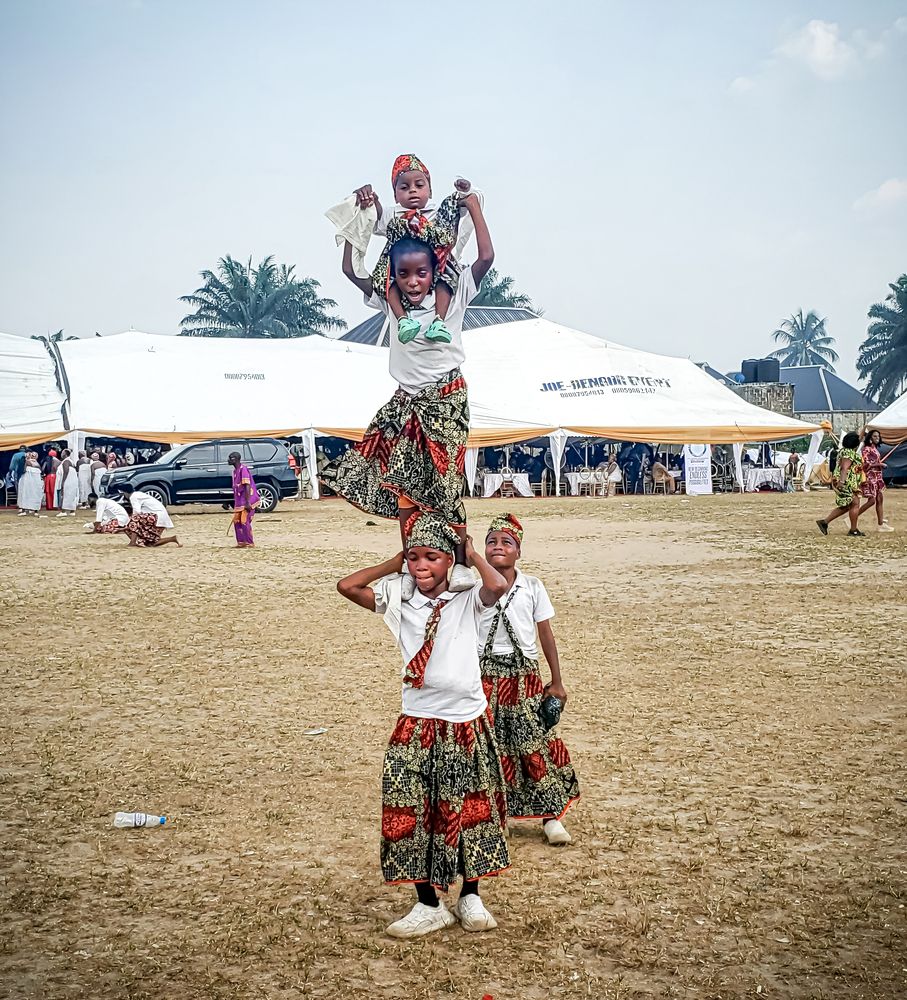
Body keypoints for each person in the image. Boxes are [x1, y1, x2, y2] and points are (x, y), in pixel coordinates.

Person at [337, 512, 510, 939]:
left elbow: (497, 586)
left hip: (465, 721)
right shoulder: (399, 595)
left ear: (447, 561)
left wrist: (468, 552)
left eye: (431, 557)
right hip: (417, 720)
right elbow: (348, 586)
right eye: (414, 558)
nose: (421, 567)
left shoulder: (466, 594)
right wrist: (393, 561)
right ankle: (428, 903)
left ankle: (470, 895)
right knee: (408, 808)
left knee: (469, 809)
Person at [324, 180, 495, 601]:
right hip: (405, 402)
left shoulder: (454, 297)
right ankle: (407, 559)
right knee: (401, 483)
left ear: (435, 272)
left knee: (446, 482)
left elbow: (486, 256)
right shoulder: (388, 302)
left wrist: (472, 206)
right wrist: (355, 224)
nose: (413, 281)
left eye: (421, 273)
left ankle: (457, 562)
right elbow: (350, 271)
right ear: (393, 278)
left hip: (446, 398)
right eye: (404, 275)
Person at [479, 514, 580, 846]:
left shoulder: (532, 586)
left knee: (535, 746)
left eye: (506, 542)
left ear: (518, 552)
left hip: (525, 679)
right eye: (491, 541)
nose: (498, 547)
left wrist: (557, 681)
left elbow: (545, 634)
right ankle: (500, 816)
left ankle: (551, 818)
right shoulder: (473, 587)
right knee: (492, 748)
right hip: (485, 678)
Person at [352, 154, 472, 345]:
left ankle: (438, 322)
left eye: (419, 185)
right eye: (404, 187)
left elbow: (465, 206)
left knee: (447, 278)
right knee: (386, 281)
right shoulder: (393, 213)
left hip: (435, 265)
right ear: (395, 195)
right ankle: (403, 320)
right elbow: (376, 221)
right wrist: (371, 202)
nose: (413, 191)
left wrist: (465, 192)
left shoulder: (437, 212)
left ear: (430, 190)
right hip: (400, 267)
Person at [816, 432, 865, 537]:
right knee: (855, 503)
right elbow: (845, 467)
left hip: (847, 481)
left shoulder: (844, 451)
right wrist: (842, 482)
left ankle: (824, 522)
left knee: (847, 505)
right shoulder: (849, 453)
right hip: (847, 481)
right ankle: (853, 529)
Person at [858, 429, 892, 532]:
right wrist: (879, 465)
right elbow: (866, 465)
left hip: (877, 476)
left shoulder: (874, 449)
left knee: (879, 499)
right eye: (875, 436)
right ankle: (853, 516)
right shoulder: (866, 449)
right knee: (872, 500)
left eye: (878, 436)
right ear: (870, 438)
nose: (877, 438)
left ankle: (881, 523)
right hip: (871, 477)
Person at [228, 451, 260, 547]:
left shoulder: (243, 470)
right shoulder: (234, 472)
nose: (229, 460)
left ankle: (250, 542)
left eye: (231, 458)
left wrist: (247, 502)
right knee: (237, 522)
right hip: (239, 501)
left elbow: (247, 486)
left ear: (237, 459)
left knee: (244, 521)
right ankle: (241, 542)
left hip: (247, 500)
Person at [55, 449, 79, 517]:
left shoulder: (66, 461)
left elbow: (66, 471)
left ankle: (63, 511)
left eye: (62, 453)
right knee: (71, 494)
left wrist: (63, 481)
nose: (61, 454)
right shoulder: (71, 461)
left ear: (65, 454)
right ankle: (72, 511)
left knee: (65, 494)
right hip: (73, 479)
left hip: (68, 479)